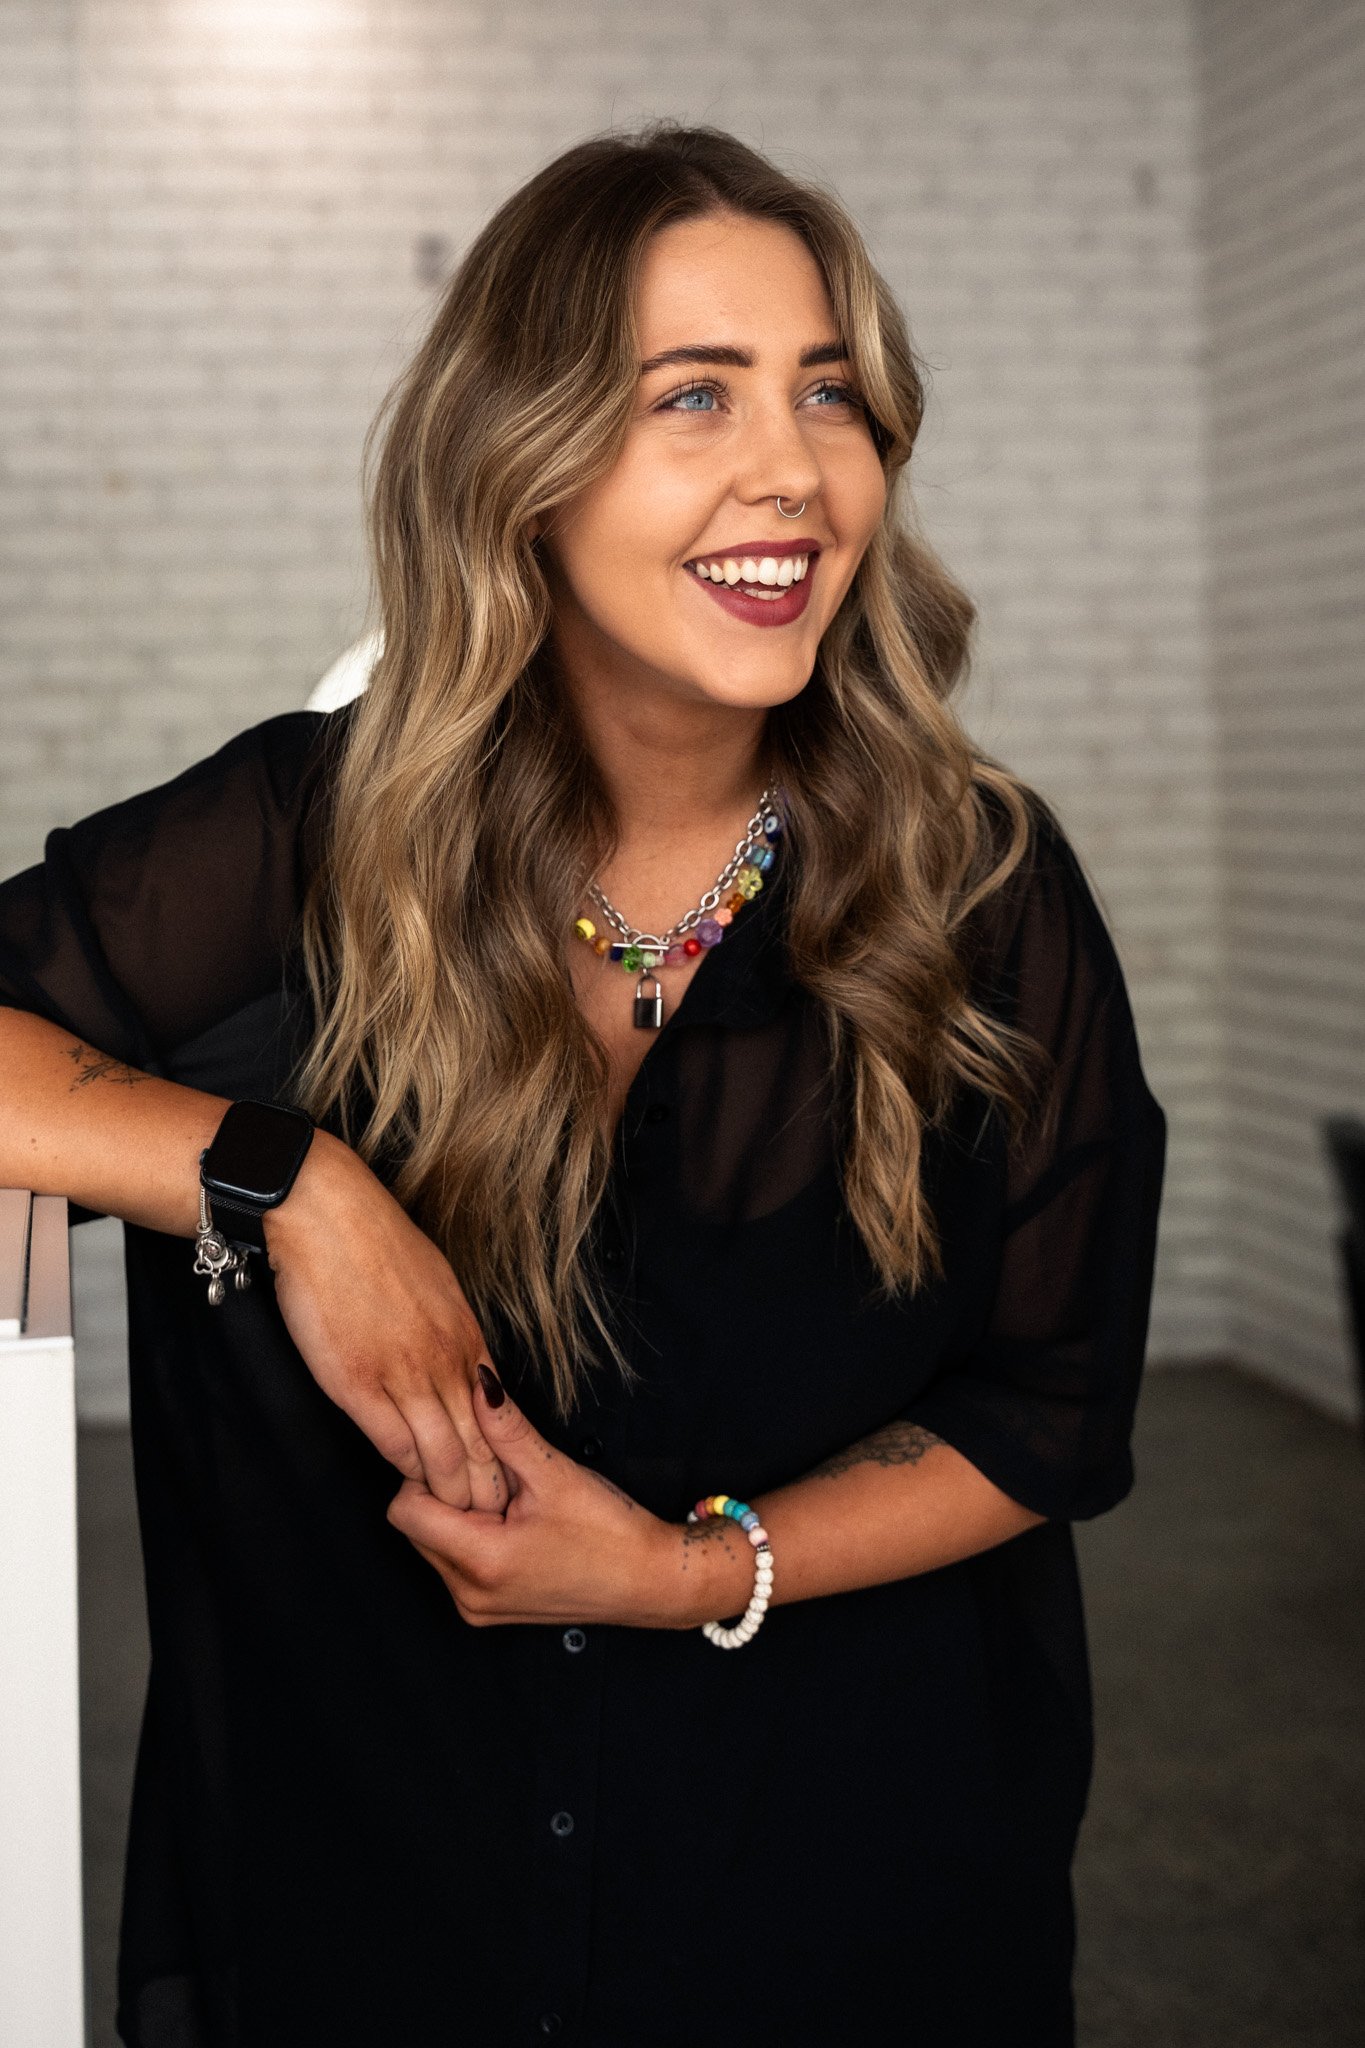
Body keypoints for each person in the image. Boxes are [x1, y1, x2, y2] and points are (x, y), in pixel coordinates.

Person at [0, 123, 1167, 2048]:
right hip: (383, 1901)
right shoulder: (309, 834)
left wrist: (674, 1570)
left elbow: (1046, 1414)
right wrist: (285, 1181)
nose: (788, 467)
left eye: (828, 396)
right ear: (519, 466)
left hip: (840, 1891)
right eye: (687, 397)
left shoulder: (982, 886)